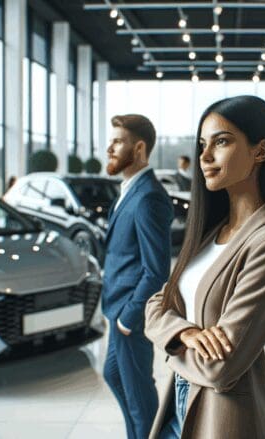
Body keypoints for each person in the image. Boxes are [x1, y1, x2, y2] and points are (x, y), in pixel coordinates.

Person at [144, 95, 265, 439]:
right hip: (179, 406)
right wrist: (185, 333)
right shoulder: (211, 232)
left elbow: (219, 369)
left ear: (260, 151)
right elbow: (156, 304)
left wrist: (167, 341)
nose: (205, 157)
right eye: (202, 144)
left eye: (222, 141)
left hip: (225, 421)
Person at [102, 114, 173, 439]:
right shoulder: (130, 188)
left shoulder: (148, 196)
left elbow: (156, 269)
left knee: (140, 400)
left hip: (128, 316)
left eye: (117, 141)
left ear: (140, 148)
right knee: (115, 377)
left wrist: (129, 318)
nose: (109, 147)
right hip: (118, 312)